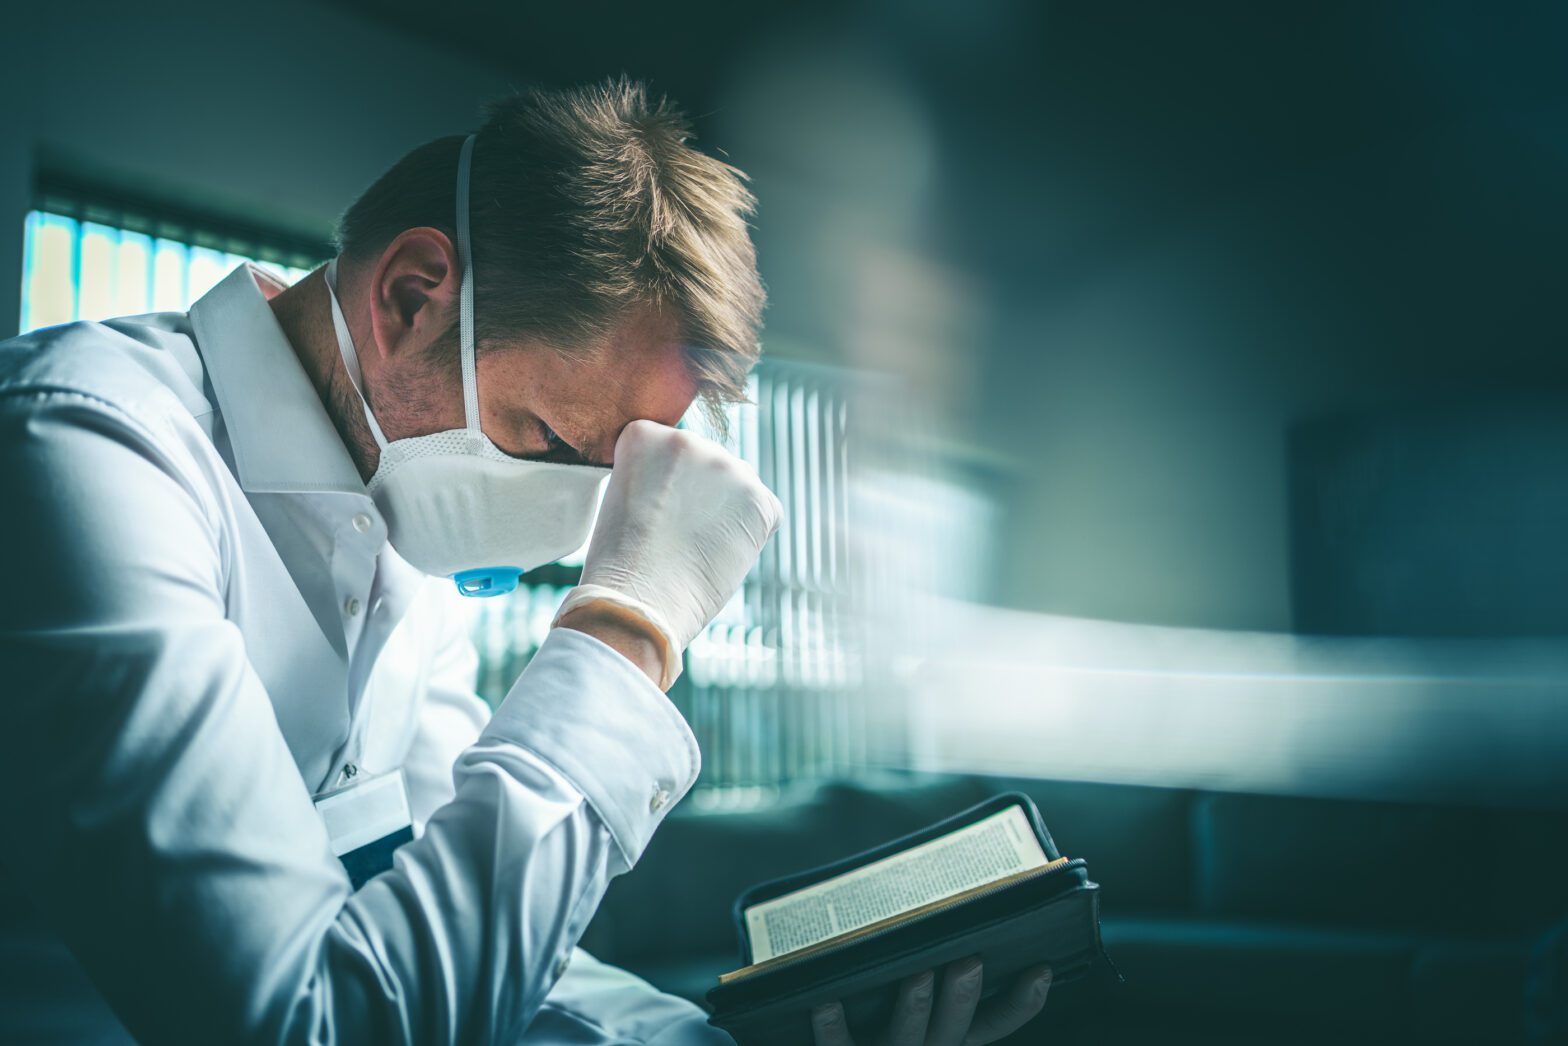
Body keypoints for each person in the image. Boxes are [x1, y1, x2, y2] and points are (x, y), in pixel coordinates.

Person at [0, 78, 1048, 1044]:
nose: (571, 521)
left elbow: (453, 939)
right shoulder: (86, 452)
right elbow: (307, 1022)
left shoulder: (396, 518)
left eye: (607, 473)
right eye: (548, 438)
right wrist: (625, 630)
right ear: (413, 297)